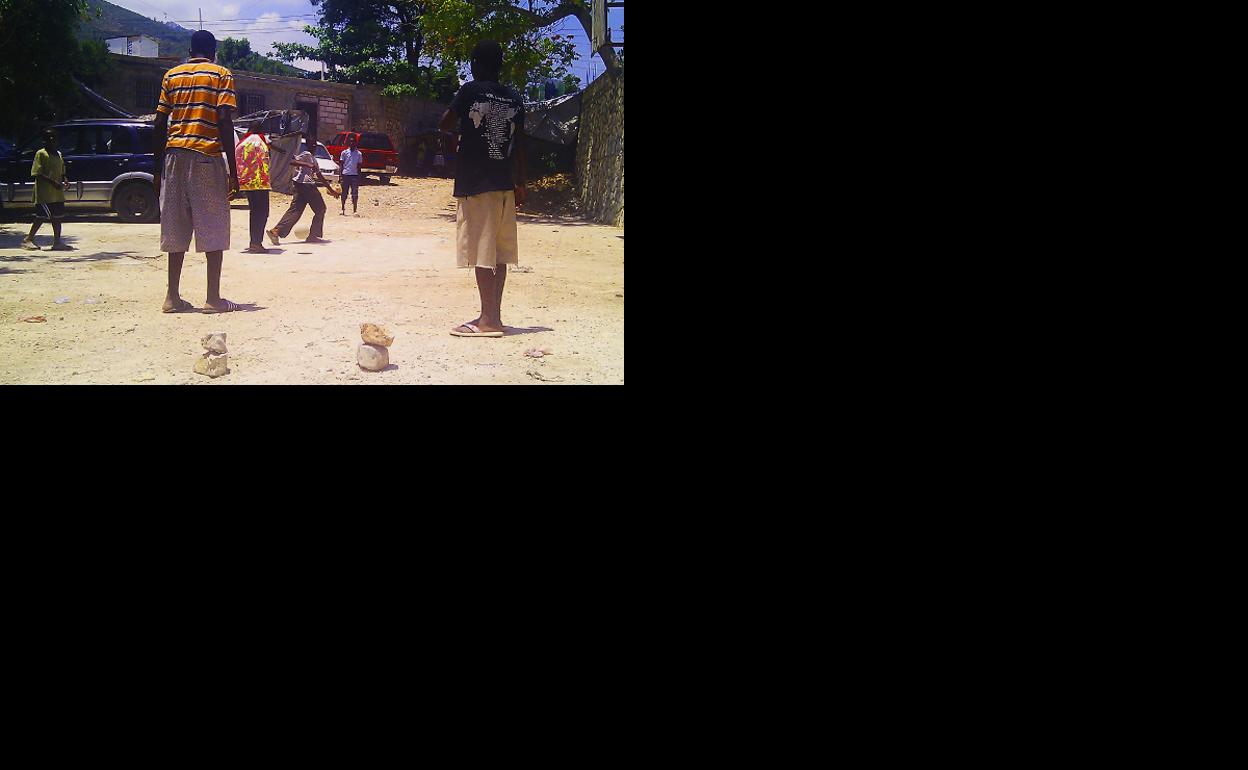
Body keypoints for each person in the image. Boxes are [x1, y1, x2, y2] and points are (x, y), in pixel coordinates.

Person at [438, 39, 527, 338]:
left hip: (477, 183)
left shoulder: (470, 91)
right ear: (500, 65)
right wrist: (522, 182)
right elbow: (521, 145)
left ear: (475, 64)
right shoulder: (515, 99)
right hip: (505, 184)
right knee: (498, 254)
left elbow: (445, 122)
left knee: (481, 253)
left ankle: (487, 321)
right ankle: (494, 316)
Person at [153, 30, 241, 314]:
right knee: (213, 224)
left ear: (190, 49)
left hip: (174, 156)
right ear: (213, 51)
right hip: (206, 155)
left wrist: (158, 170)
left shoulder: (172, 75)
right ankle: (213, 299)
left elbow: (159, 123)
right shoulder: (220, 75)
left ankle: (172, 297)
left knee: (176, 225)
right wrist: (233, 170)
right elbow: (225, 122)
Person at [268, 135, 335, 245]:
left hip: (300, 185)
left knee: (295, 211)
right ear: (308, 145)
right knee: (320, 209)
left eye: (314, 144)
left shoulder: (313, 159)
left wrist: (331, 190)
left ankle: (276, 231)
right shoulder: (306, 154)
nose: (313, 146)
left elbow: (320, 176)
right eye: (312, 144)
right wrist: (307, 164)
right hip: (307, 184)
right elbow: (292, 161)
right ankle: (313, 236)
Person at [21, 129, 72, 251]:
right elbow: (37, 173)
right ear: (44, 140)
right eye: (48, 138)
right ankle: (29, 239)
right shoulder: (41, 154)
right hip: (44, 192)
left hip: (57, 192)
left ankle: (57, 242)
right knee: (41, 216)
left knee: (57, 217)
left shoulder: (58, 154)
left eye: (53, 138)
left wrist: (65, 179)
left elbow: (62, 170)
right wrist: (52, 182)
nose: (51, 141)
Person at [236, 118, 273, 253]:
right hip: (260, 183)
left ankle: (254, 241)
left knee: (254, 212)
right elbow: (268, 159)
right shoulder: (261, 140)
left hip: (246, 183)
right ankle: (256, 243)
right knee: (262, 213)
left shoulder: (242, 143)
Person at [337, 133, 363, 216]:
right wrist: (340, 176)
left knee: (355, 193)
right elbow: (341, 164)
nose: (352, 143)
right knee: (344, 193)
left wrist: (359, 177)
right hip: (345, 175)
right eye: (350, 141)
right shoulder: (344, 153)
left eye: (353, 142)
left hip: (354, 176)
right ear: (348, 142)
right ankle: (342, 209)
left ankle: (355, 210)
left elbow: (359, 166)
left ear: (356, 143)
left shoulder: (359, 154)